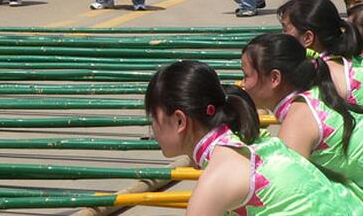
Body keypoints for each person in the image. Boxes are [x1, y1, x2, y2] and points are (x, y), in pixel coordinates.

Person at [146, 60, 362, 215]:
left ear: (180, 121)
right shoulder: (254, 142)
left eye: (153, 119)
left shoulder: (218, 176)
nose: (152, 129)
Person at [241, 33, 363, 201]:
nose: (242, 84)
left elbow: (292, 196)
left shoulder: (298, 121)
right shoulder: (317, 92)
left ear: (275, 78)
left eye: (246, 75)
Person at [278, 0, 363, 104]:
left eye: (285, 30)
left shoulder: (316, 78)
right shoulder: (353, 60)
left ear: (307, 38)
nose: (281, 37)